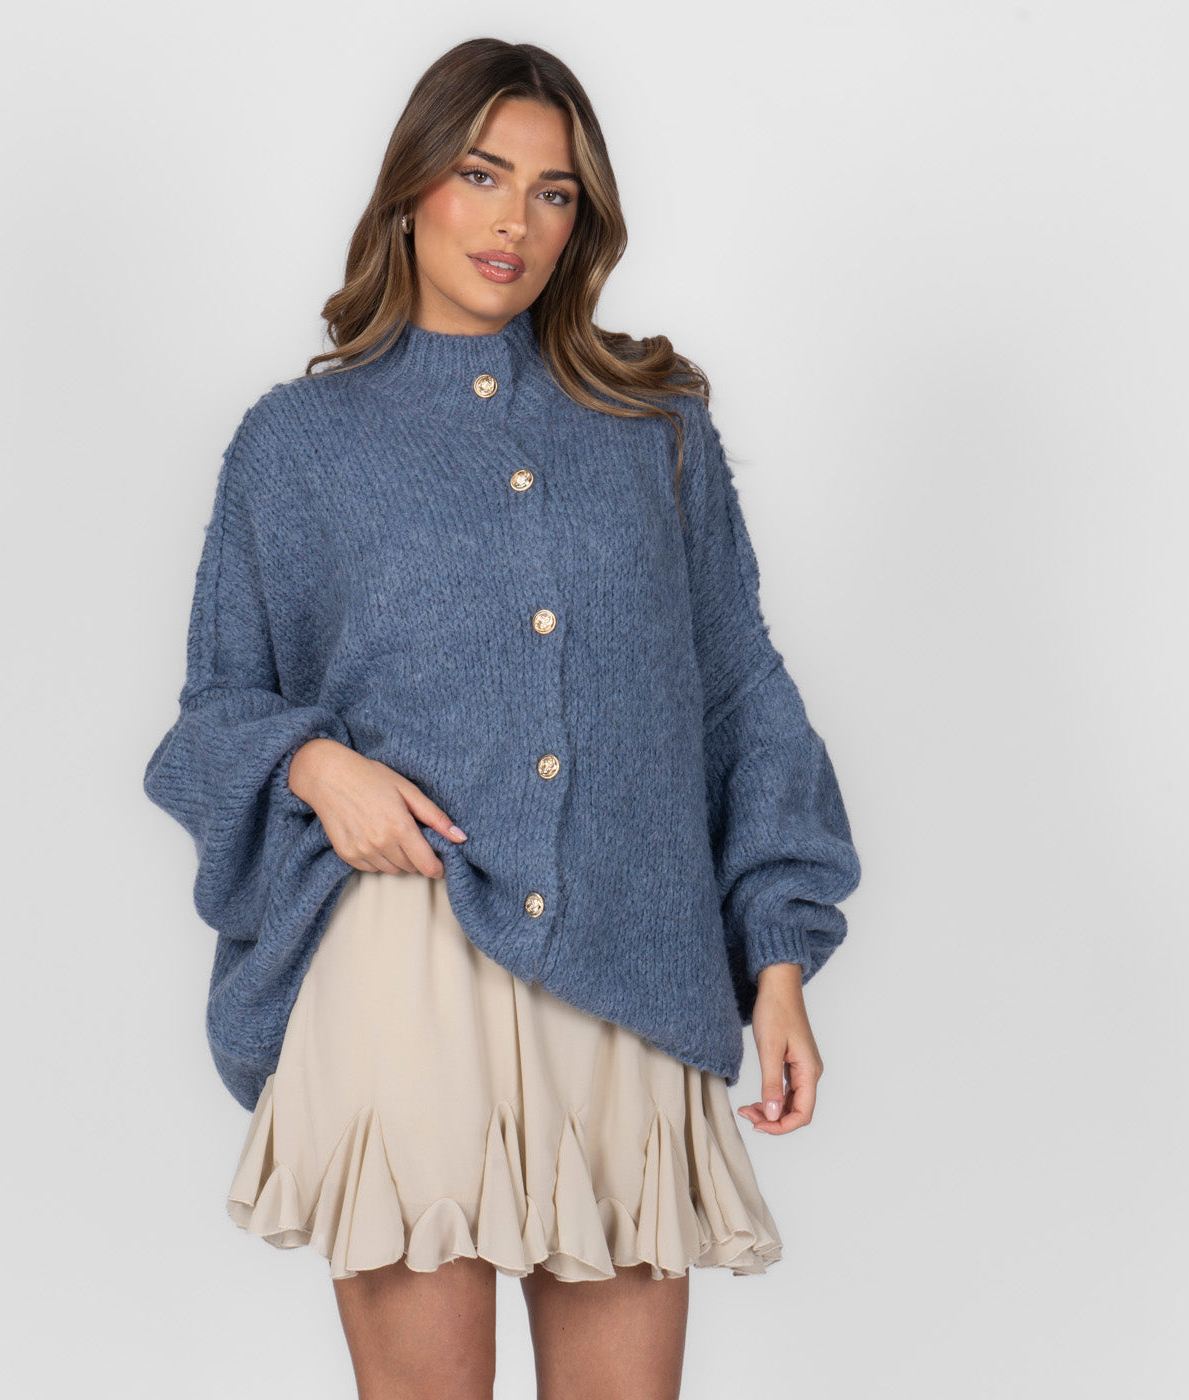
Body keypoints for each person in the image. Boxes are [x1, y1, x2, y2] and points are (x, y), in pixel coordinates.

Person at [142, 36, 861, 1400]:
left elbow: (738, 695)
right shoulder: (297, 447)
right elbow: (213, 711)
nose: (513, 221)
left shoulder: (655, 431)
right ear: (411, 187)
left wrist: (776, 954)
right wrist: (315, 763)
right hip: (405, 962)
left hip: (632, 966)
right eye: (481, 175)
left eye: (553, 192)